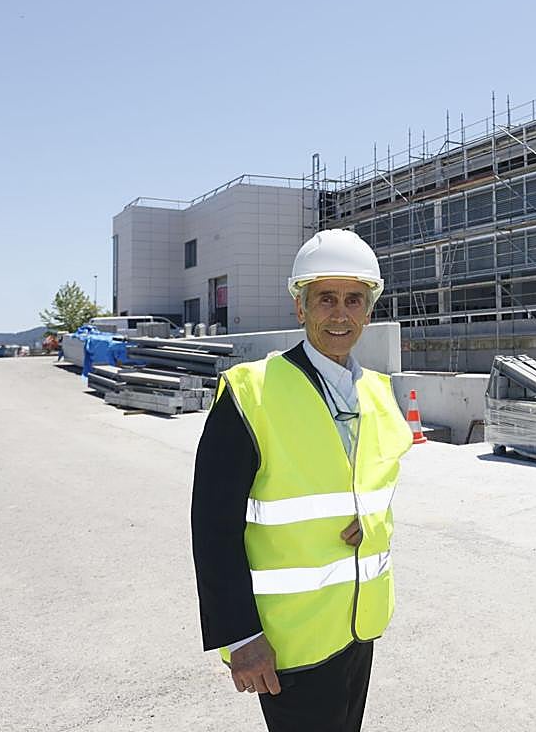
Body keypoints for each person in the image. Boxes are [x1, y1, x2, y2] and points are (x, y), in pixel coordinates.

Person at [191, 229, 413, 732]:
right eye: (325, 299)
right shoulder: (251, 393)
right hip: (286, 641)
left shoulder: (378, 393)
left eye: (353, 300)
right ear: (300, 308)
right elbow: (212, 528)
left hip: (359, 625)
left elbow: (373, 495)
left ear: (369, 310)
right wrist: (241, 636)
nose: (340, 314)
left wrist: (368, 526)